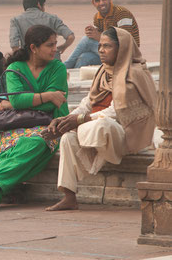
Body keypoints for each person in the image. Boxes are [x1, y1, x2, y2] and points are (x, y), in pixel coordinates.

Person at [45, 27, 156, 211]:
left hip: (124, 135)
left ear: (121, 49)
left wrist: (78, 121)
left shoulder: (135, 74)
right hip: (94, 130)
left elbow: (117, 112)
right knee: (67, 138)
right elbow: (87, 103)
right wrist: (66, 120)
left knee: (102, 125)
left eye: (107, 46)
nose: (101, 51)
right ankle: (69, 196)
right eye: (100, 46)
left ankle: (81, 128)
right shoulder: (103, 72)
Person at [0, 25, 69, 210]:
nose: (55, 49)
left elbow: (53, 103)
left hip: (52, 123)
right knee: (9, 147)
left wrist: (17, 102)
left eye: (55, 44)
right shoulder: (15, 68)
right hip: (18, 125)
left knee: (36, 143)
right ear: (33, 48)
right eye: (49, 45)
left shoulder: (57, 68)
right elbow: (19, 99)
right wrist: (46, 96)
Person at [64, 0, 140, 69]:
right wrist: (92, 32)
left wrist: (98, 36)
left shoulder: (122, 13)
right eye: (97, 0)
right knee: (84, 57)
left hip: (127, 54)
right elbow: (100, 39)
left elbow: (125, 42)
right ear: (93, 3)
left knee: (86, 40)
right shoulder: (97, 17)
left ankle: (64, 67)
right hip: (110, 52)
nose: (101, 3)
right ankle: (73, 78)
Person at [9, 0, 74, 56]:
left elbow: (14, 45)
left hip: (29, 60)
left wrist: (21, 58)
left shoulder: (16, 20)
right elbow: (71, 37)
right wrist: (63, 47)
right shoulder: (52, 18)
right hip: (51, 60)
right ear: (39, 4)